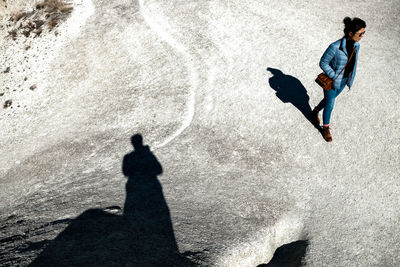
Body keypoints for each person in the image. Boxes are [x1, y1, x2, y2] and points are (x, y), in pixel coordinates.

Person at [311, 17, 366, 142]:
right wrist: (334, 75)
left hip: (344, 79)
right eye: (360, 34)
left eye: (364, 33)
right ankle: (326, 128)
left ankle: (315, 111)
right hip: (333, 80)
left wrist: (349, 78)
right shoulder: (335, 47)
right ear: (350, 33)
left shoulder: (356, 45)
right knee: (330, 104)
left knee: (329, 99)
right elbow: (323, 62)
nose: (362, 36)